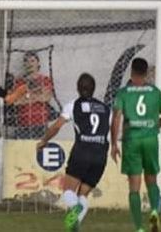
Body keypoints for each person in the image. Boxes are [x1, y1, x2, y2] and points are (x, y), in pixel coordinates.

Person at [37, 73, 111, 231]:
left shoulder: (73, 105)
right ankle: (74, 226)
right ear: (93, 89)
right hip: (100, 154)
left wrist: (44, 141)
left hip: (82, 151)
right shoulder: (105, 108)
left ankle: (75, 210)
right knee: (83, 195)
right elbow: (114, 126)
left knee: (68, 191)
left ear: (78, 88)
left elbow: (57, 126)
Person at [111, 58, 161, 232]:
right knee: (151, 181)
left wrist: (114, 144)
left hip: (132, 141)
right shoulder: (155, 92)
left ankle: (139, 228)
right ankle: (153, 213)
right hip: (150, 141)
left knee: (134, 187)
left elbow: (116, 118)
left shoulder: (123, 93)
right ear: (146, 73)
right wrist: (153, 125)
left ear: (132, 72)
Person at [12, 51, 55, 139]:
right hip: (23, 123)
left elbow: (46, 97)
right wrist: (38, 94)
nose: (29, 64)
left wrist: (27, 96)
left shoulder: (45, 80)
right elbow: (16, 101)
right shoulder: (19, 81)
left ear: (38, 63)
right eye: (27, 61)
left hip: (40, 123)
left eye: (32, 61)